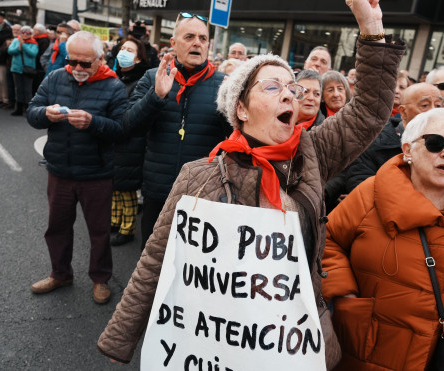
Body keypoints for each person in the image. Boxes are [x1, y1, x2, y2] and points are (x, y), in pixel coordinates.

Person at [97, 0, 404, 364]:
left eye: (293, 88)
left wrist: (371, 30)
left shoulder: (313, 153)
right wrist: (120, 339)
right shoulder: (199, 176)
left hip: (292, 341)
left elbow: (369, 111)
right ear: (240, 109)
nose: (290, 94)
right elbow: (155, 261)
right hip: (218, 341)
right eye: (272, 88)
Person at [322, 107, 444, 370]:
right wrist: (346, 296)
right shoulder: (371, 193)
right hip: (367, 351)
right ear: (408, 150)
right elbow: (327, 239)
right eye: (434, 143)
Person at [26, 31, 128, 304]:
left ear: (100, 59)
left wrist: (93, 122)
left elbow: (121, 130)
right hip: (59, 170)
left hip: (96, 174)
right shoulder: (56, 77)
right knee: (56, 227)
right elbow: (32, 111)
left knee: (99, 231)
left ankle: (100, 279)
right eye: (73, 62)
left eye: (86, 63)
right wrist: (44, 113)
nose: (79, 69)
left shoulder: (113, 86)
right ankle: (60, 274)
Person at [120, 11, 233, 249]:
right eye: (189, 37)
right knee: (151, 259)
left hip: (202, 195)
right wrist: (157, 96)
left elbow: (236, 140)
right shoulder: (153, 77)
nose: (197, 43)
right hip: (158, 191)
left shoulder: (224, 84)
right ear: (173, 44)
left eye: (203, 38)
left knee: (192, 264)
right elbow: (129, 126)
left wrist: (229, 108)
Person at [343, 82, 443, 192]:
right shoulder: (373, 142)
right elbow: (361, 187)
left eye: (438, 105)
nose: (434, 111)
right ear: (403, 112)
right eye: (425, 105)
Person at [110, 38, 150, 247]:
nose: (124, 52)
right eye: (122, 48)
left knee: (127, 188)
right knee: (115, 184)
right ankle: (115, 221)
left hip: (131, 139)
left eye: (130, 50)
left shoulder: (141, 80)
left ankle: (127, 228)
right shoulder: (117, 75)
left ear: (139, 57)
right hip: (115, 136)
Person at [8, 25, 38, 116]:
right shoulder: (16, 41)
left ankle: (28, 109)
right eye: (23, 32)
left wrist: (23, 45)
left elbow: (33, 54)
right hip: (17, 69)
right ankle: (19, 109)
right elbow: (10, 51)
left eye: (27, 33)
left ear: (31, 34)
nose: (25, 34)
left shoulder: (34, 43)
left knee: (27, 90)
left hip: (28, 70)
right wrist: (19, 47)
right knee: (18, 89)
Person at [31, 23, 50, 94]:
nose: (33, 31)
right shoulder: (35, 39)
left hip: (39, 68)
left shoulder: (44, 40)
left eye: (34, 30)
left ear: (39, 31)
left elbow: (41, 55)